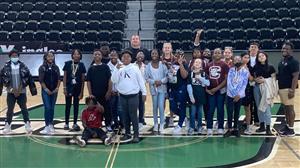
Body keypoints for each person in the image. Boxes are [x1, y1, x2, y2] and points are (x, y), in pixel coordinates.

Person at [111, 50, 147, 143]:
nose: (125, 58)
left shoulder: (135, 68)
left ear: (131, 58)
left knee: (133, 115)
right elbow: (114, 80)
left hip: (133, 96)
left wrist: (144, 93)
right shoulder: (119, 68)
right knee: (124, 116)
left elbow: (141, 81)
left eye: (128, 56)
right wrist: (116, 69)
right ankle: (127, 133)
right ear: (121, 58)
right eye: (124, 57)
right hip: (122, 96)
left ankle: (136, 135)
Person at [1, 49, 37, 134]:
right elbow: (3, 79)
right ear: (10, 57)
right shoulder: (5, 67)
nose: (15, 57)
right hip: (11, 92)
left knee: (24, 108)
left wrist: (20, 89)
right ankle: (8, 125)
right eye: (13, 56)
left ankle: (27, 124)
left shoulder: (23, 66)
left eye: (16, 56)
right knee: (10, 109)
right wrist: (13, 90)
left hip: (22, 91)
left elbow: (27, 78)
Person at [87, 49, 113, 132]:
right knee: (97, 110)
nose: (97, 56)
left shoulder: (105, 67)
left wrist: (109, 91)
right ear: (93, 56)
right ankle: (98, 124)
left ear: (101, 56)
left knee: (107, 109)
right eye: (95, 54)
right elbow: (88, 82)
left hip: (105, 93)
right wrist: (90, 94)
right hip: (95, 94)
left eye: (99, 54)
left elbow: (110, 79)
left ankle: (108, 124)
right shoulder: (91, 68)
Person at [205, 48, 229, 136]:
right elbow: (205, 78)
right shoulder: (209, 65)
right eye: (215, 53)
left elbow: (226, 80)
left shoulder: (225, 65)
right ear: (213, 54)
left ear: (221, 54)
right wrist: (207, 89)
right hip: (211, 91)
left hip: (220, 91)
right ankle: (209, 127)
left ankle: (220, 127)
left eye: (219, 52)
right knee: (210, 109)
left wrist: (217, 88)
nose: (217, 54)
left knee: (220, 109)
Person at [224, 55, 249, 137]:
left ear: (241, 61)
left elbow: (244, 84)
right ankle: (229, 129)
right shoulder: (231, 70)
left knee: (237, 112)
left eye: (239, 60)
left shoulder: (245, 72)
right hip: (230, 95)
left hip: (239, 96)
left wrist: (239, 95)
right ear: (233, 62)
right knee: (229, 112)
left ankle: (236, 128)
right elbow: (229, 83)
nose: (237, 61)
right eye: (235, 60)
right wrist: (234, 94)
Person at [278, 42, 299, 137]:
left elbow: (295, 76)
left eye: (286, 49)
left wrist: (292, 90)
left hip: (288, 89)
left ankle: (291, 129)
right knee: (286, 108)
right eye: (283, 48)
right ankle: (287, 126)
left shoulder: (293, 62)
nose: (284, 50)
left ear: (291, 50)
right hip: (282, 88)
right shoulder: (282, 61)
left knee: (290, 108)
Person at [253, 51, 277, 135]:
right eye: (259, 56)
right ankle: (262, 125)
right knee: (259, 107)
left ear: (266, 57)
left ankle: (268, 128)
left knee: (266, 108)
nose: (261, 57)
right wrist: (255, 80)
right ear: (257, 58)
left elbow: (273, 80)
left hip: (267, 88)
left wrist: (265, 80)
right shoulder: (255, 67)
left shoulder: (271, 67)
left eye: (263, 55)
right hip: (257, 88)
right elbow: (253, 78)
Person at [145, 49, 168, 132]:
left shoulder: (163, 65)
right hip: (153, 89)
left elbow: (167, 76)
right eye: (152, 53)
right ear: (151, 55)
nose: (154, 54)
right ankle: (155, 124)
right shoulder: (148, 66)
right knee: (155, 107)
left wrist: (161, 81)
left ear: (158, 55)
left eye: (155, 53)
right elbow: (146, 78)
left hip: (162, 88)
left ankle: (161, 123)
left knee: (161, 106)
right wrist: (154, 82)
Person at [63, 49, 86, 131]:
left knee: (76, 106)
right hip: (69, 87)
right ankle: (66, 123)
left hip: (77, 88)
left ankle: (75, 123)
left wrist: (82, 92)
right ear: (72, 55)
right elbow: (65, 77)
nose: (76, 56)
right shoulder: (67, 64)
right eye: (74, 54)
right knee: (67, 106)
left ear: (80, 56)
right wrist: (64, 88)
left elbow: (83, 80)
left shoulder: (82, 65)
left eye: (78, 54)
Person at [38, 52, 61, 135]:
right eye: (49, 56)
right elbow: (41, 80)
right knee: (47, 107)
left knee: (52, 108)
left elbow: (59, 79)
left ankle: (51, 124)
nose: (51, 57)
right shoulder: (42, 67)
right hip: (46, 91)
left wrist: (57, 88)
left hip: (54, 90)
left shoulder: (56, 67)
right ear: (45, 57)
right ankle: (46, 125)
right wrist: (45, 89)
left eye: (52, 56)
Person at [168, 50, 189, 134]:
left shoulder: (184, 64)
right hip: (172, 89)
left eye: (180, 56)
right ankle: (184, 117)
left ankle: (180, 125)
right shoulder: (172, 64)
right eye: (177, 55)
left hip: (181, 88)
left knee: (182, 107)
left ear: (183, 56)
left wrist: (181, 64)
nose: (178, 57)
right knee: (172, 107)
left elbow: (184, 76)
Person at [187, 58, 210, 135]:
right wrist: (191, 96)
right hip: (193, 97)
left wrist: (200, 78)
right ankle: (192, 127)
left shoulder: (203, 73)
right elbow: (189, 85)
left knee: (200, 113)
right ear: (193, 63)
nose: (197, 63)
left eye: (199, 62)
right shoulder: (190, 73)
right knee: (192, 113)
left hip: (201, 96)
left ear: (201, 65)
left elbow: (208, 83)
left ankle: (200, 126)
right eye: (196, 62)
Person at [107, 50, 122, 129]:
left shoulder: (122, 65)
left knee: (120, 109)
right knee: (112, 108)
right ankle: (115, 123)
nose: (113, 57)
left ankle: (122, 123)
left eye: (115, 55)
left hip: (121, 92)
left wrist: (119, 90)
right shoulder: (107, 66)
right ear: (109, 56)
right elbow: (107, 79)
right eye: (111, 55)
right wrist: (110, 90)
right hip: (111, 91)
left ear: (117, 56)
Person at [161, 42, 175, 127]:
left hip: (172, 83)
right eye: (165, 47)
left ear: (171, 49)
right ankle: (162, 118)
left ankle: (171, 118)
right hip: (162, 83)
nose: (167, 49)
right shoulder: (159, 59)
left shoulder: (175, 59)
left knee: (171, 101)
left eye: (168, 47)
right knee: (162, 101)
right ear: (163, 49)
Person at [240, 52, 254, 135]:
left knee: (247, 108)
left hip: (246, 90)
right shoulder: (236, 66)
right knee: (235, 108)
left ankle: (248, 126)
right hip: (237, 90)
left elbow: (251, 79)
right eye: (245, 57)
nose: (246, 59)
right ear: (241, 58)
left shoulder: (250, 67)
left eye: (248, 57)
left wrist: (247, 70)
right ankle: (233, 125)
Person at [134, 51, 147, 129]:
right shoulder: (132, 65)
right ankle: (134, 120)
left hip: (142, 89)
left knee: (141, 106)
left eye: (142, 54)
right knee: (134, 106)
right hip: (133, 89)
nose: (140, 56)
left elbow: (146, 78)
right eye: (139, 54)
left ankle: (141, 120)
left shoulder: (145, 66)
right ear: (136, 56)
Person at [248, 42, 260, 126]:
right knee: (248, 102)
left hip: (257, 84)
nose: (253, 48)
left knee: (257, 102)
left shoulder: (260, 59)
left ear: (258, 49)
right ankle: (248, 119)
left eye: (255, 47)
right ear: (249, 49)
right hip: (247, 84)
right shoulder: (245, 58)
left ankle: (257, 119)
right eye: (251, 47)